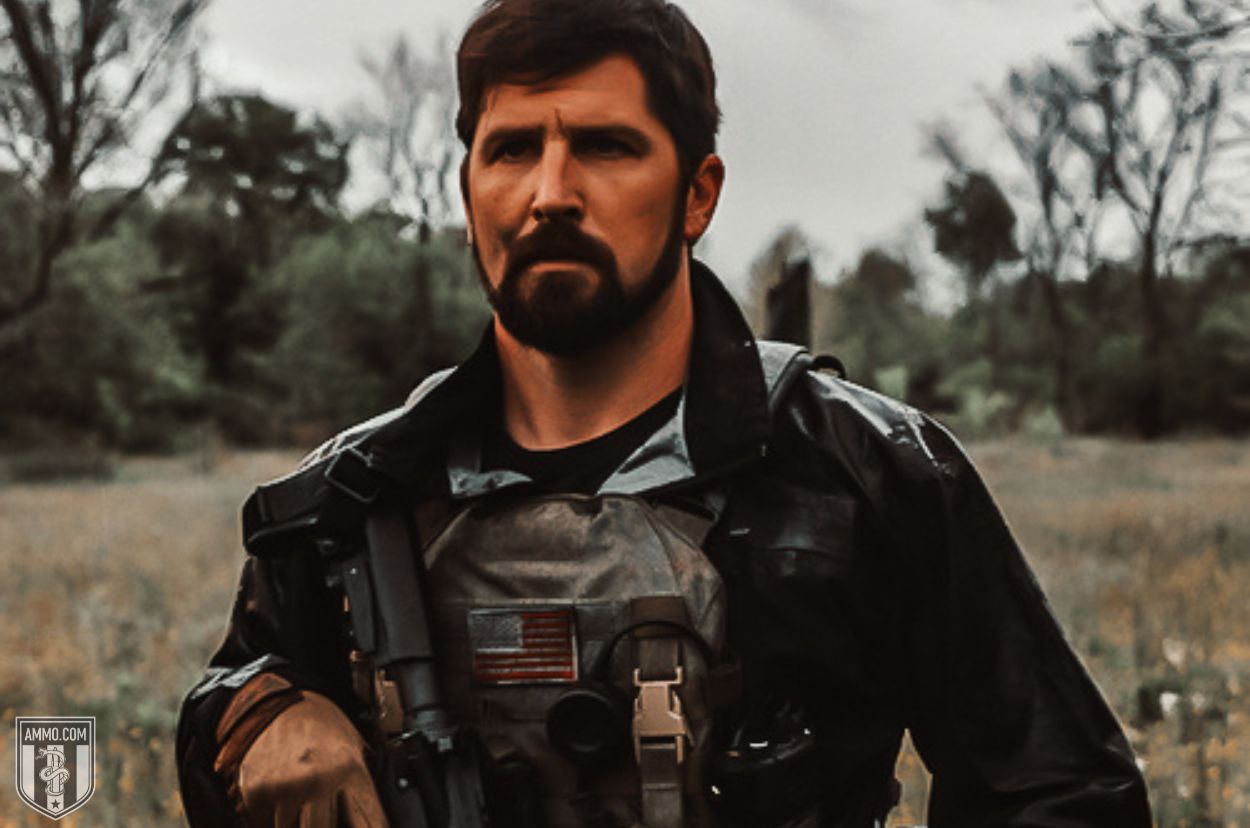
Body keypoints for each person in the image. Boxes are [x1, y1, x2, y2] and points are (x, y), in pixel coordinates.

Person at [176, 0, 1153, 825]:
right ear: (469, 195)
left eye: (605, 147)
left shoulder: (864, 471)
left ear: (696, 194)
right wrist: (258, 713)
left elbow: (1061, 793)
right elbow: (234, 692)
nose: (550, 195)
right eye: (511, 150)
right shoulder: (353, 499)